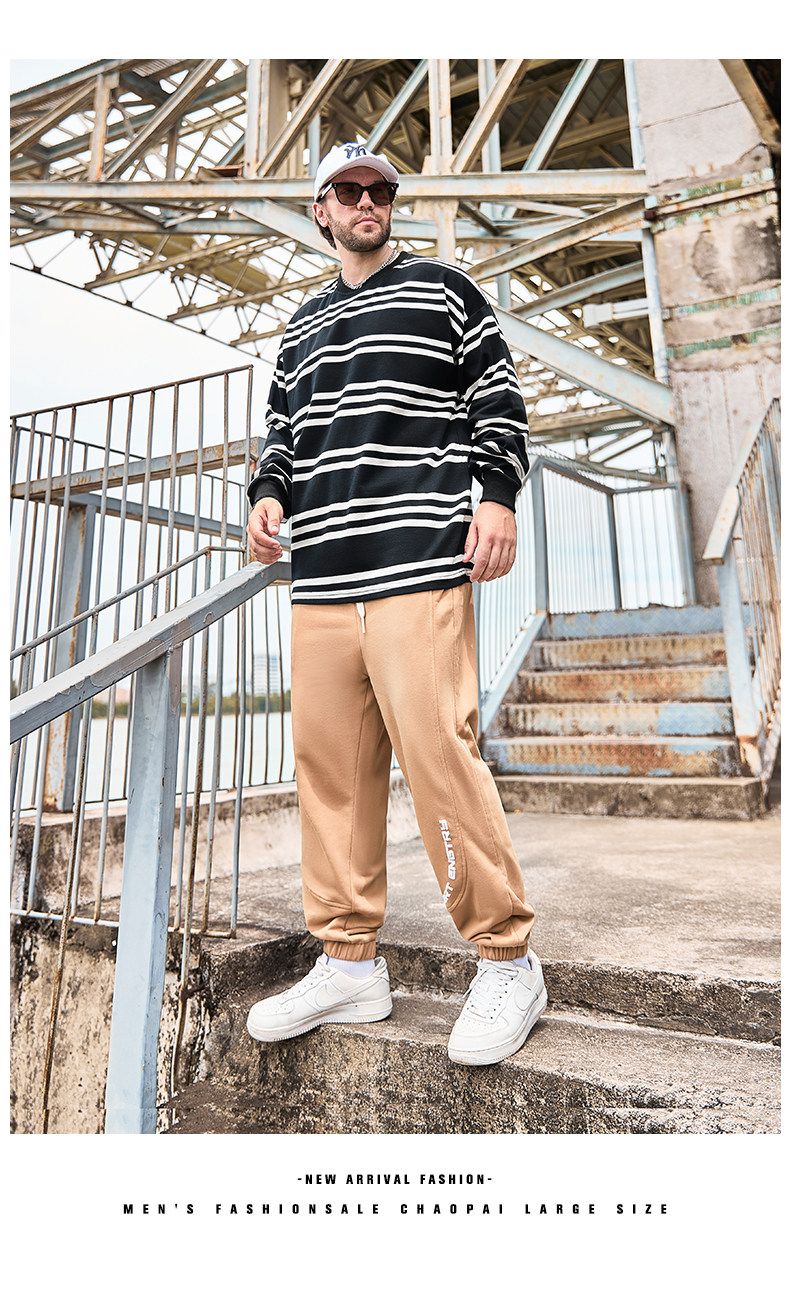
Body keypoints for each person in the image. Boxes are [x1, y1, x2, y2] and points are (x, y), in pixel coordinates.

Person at [245, 142, 546, 1066]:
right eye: (348, 190)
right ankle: (348, 962)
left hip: (417, 563)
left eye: (379, 189)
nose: (366, 200)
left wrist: (498, 495)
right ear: (322, 209)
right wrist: (267, 493)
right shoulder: (299, 326)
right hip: (324, 579)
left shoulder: (446, 291)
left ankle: (508, 959)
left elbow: (499, 399)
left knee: (439, 755)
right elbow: (283, 432)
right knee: (330, 773)